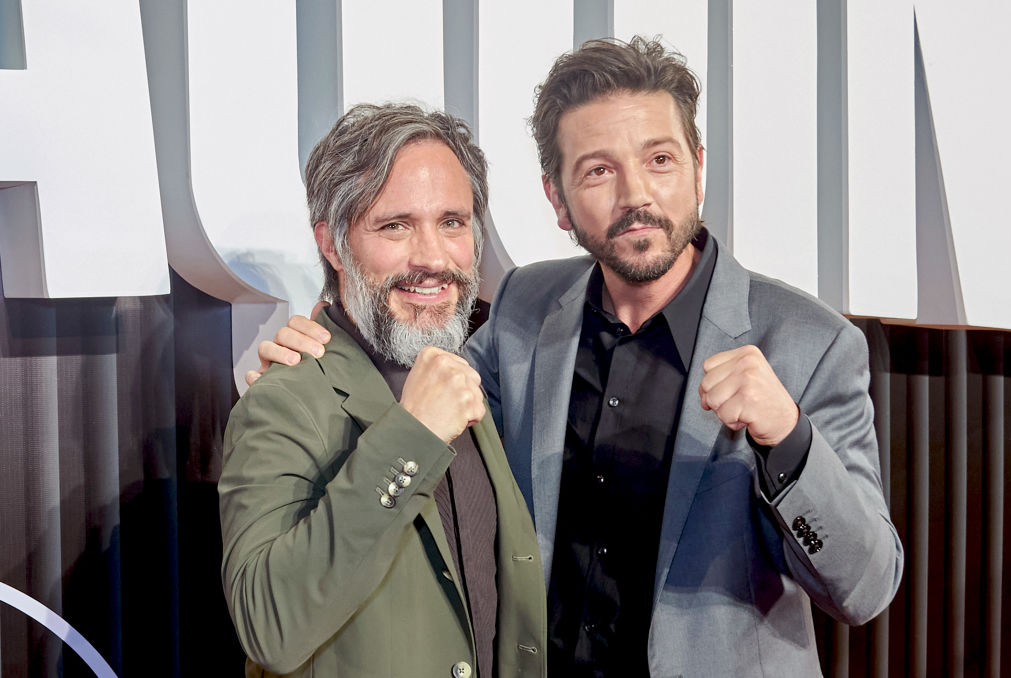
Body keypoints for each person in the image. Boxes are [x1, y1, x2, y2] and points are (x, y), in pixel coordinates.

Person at [253, 37, 903, 677]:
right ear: (557, 199)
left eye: (660, 160)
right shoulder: (527, 307)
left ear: (698, 169)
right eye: (598, 171)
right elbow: (417, 400)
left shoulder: (809, 343)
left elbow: (867, 588)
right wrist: (318, 355)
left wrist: (788, 438)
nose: (636, 194)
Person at [219, 104, 547, 678]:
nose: (433, 258)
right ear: (333, 243)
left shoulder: (473, 371)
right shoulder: (285, 399)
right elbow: (267, 626)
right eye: (395, 225)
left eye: (453, 222)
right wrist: (410, 436)